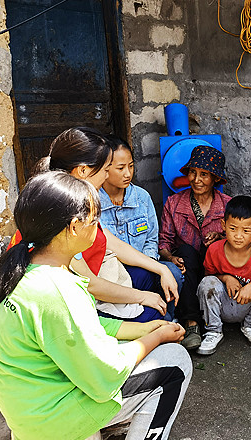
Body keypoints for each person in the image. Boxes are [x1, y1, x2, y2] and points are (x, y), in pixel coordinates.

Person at [0, 171, 192, 440]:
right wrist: (154, 340)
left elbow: (82, 327)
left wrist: (144, 328)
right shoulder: (57, 289)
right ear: (75, 226)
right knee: (175, 364)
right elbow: (104, 373)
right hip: (54, 421)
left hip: (30, 410)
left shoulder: (28, 268)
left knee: (146, 347)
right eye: (95, 218)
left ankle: (120, 426)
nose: (98, 227)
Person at [12, 127, 181, 323]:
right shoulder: (64, 213)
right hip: (83, 302)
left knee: (164, 279)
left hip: (98, 283)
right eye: (106, 170)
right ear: (83, 171)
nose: (107, 176)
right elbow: (90, 284)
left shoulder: (72, 199)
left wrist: (162, 269)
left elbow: (109, 240)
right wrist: (143, 297)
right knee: (159, 318)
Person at [159, 145, 232, 350]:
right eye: (193, 172)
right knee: (186, 253)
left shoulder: (227, 205)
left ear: (215, 178)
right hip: (188, 270)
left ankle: (216, 321)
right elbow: (164, 242)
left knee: (214, 249)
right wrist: (170, 258)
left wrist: (221, 237)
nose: (196, 180)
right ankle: (192, 324)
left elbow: (240, 240)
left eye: (204, 174)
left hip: (216, 271)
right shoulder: (173, 203)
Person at [99, 135, 185, 302]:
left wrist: (147, 264)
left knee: (174, 273)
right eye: (120, 168)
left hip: (146, 266)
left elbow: (152, 239)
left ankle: (169, 315)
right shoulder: (93, 202)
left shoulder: (142, 197)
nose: (128, 173)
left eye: (131, 166)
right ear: (104, 169)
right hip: (112, 274)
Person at [196, 196, 251, 355]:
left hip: (249, 305)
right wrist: (226, 278)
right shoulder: (214, 250)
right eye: (233, 228)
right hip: (222, 305)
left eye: (246, 230)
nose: (238, 235)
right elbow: (208, 276)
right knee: (207, 283)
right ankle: (213, 330)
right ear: (223, 225)